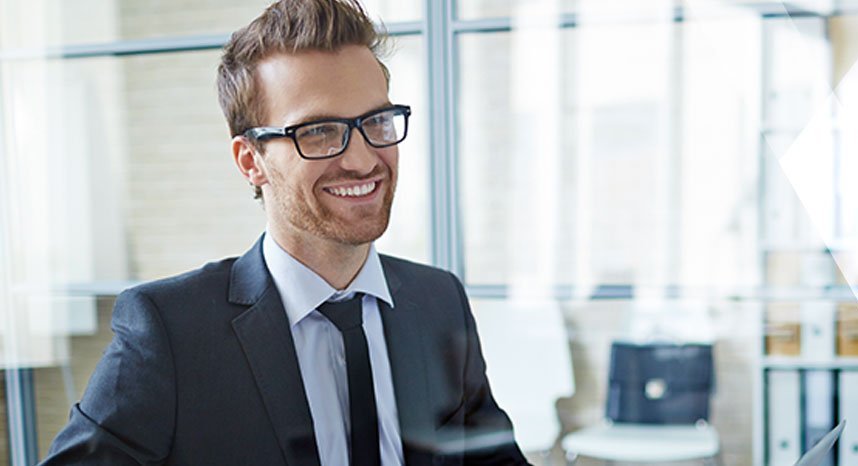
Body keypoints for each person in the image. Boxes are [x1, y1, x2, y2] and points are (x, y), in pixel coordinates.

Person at [42, 1, 529, 465]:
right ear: (250, 161)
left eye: (376, 122)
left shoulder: (438, 300)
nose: (362, 159)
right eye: (317, 131)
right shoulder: (169, 334)